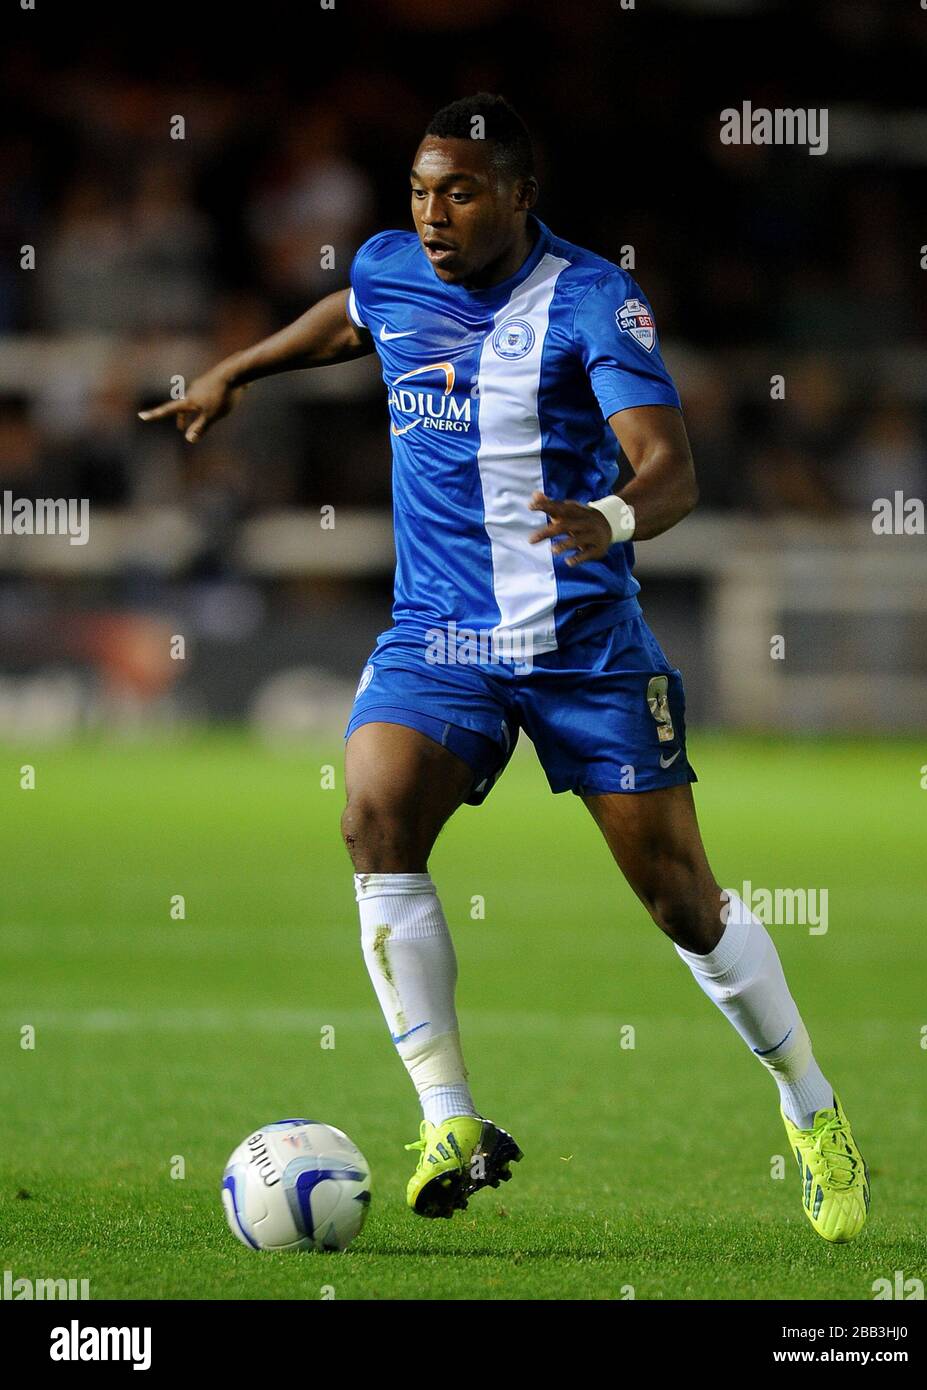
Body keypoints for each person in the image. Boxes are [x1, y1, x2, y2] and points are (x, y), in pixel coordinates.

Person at [140, 93, 869, 1243]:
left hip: (580, 644)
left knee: (683, 900)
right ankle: (450, 1121)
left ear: (521, 197)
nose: (433, 213)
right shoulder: (393, 266)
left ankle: (810, 1107)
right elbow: (350, 315)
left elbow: (668, 468)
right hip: (439, 638)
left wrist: (611, 521)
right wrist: (237, 368)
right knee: (372, 816)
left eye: (461, 191)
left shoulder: (589, 301)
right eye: (422, 189)